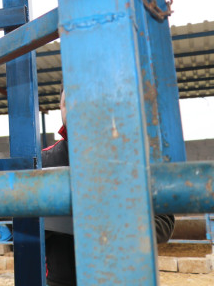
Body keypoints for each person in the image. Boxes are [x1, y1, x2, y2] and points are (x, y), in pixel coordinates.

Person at [42, 89, 175, 286]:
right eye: (67, 102)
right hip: (62, 281)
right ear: (60, 108)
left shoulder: (133, 157)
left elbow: (164, 222)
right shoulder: (45, 160)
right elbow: (24, 224)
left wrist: (113, 226)